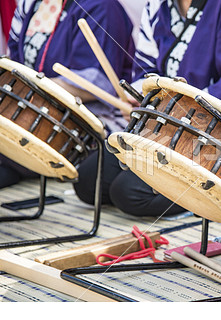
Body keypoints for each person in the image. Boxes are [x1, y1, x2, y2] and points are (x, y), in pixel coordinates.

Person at [73, 0, 221, 217]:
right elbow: (146, 68)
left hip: (220, 136)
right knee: (89, 180)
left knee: (129, 192)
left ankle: (210, 202)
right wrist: (140, 99)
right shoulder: (158, 4)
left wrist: (168, 112)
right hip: (165, 125)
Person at [0, 0, 135, 189]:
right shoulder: (29, 4)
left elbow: (93, 84)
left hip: (86, 121)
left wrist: (30, 87)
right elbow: (13, 63)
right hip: (27, 108)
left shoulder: (103, 7)